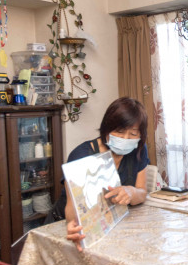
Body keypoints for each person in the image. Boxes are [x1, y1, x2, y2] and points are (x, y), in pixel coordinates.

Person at [63, 97, 150, 251]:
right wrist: (74, 224)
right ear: (106, 129)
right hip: (78, 227)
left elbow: (142, 192)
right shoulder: (81, 155)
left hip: (114, 226)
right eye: (119, 132)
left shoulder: (138, 150)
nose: (125, 138)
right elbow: (71, 207)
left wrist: (131, 192)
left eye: (133, 134)